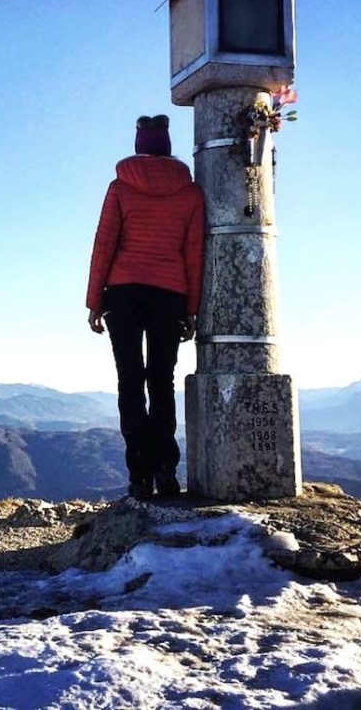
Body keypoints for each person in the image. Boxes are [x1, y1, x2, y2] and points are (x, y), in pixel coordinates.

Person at [86, 114, 204, 500]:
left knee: (130, 381)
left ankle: (139, 476)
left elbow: (104, 243)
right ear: (168, 145)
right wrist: (192, 308)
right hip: (169, 294)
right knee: (161, 381)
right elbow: (193, 253)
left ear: (138, 143)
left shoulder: (120, 187)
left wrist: (93, 301)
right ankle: (166, 470)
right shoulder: (190, 194)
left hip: (123, 293)